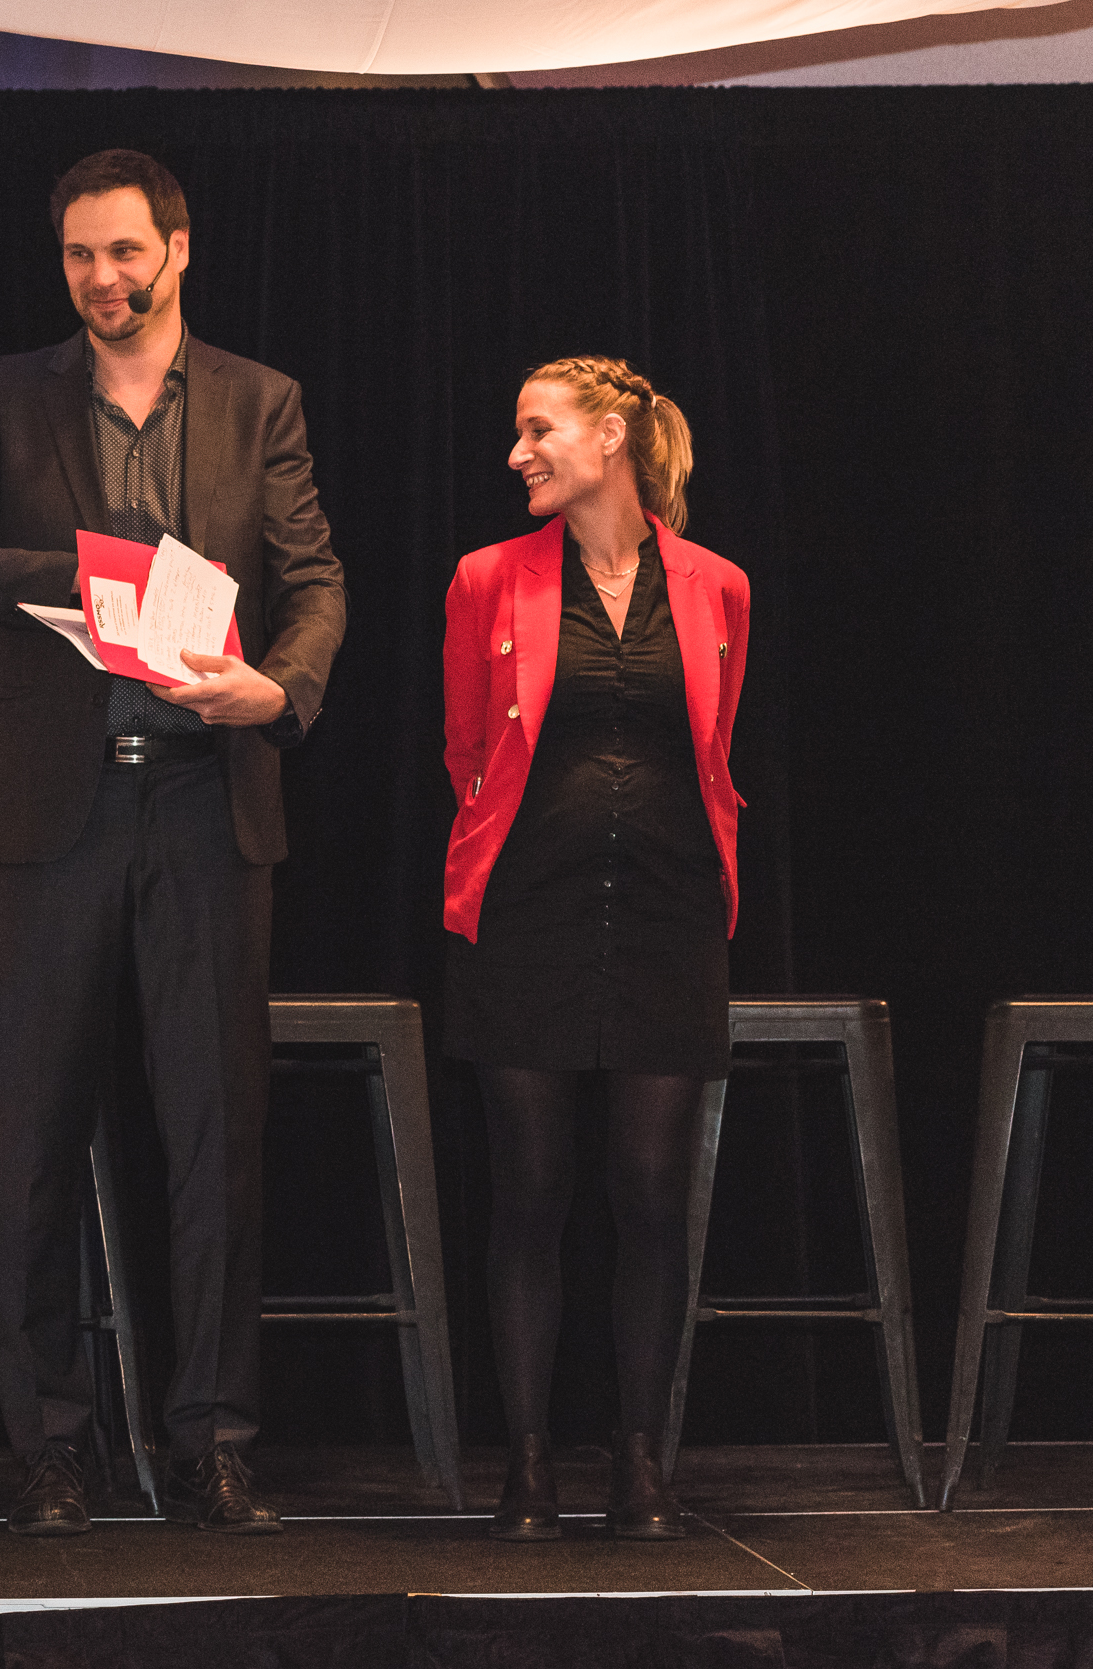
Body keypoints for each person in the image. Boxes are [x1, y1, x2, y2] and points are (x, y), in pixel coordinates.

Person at [0, 150, 345, 1537]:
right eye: (81, 255)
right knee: (38, 1135)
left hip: (207, 799)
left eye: (125, 252)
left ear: (178, 250)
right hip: (52, 814)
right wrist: (81, 572)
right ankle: (51, 1445)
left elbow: (315, 580)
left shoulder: (260, 400)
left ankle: (213, 1440)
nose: (102, 278)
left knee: (216, 1136)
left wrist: (279, 689)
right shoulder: (4, 394)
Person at [440, 355, 750, 1541]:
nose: (516, 453)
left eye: (538, 430)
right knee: (528, 1188)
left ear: (609, 437)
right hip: (528, 915)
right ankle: (525, 1463)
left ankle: (639, 1459)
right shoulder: (487, 577)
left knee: (650, 1193)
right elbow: (467, 747)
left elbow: (713, 750)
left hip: (670, 917)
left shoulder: (718, 586)